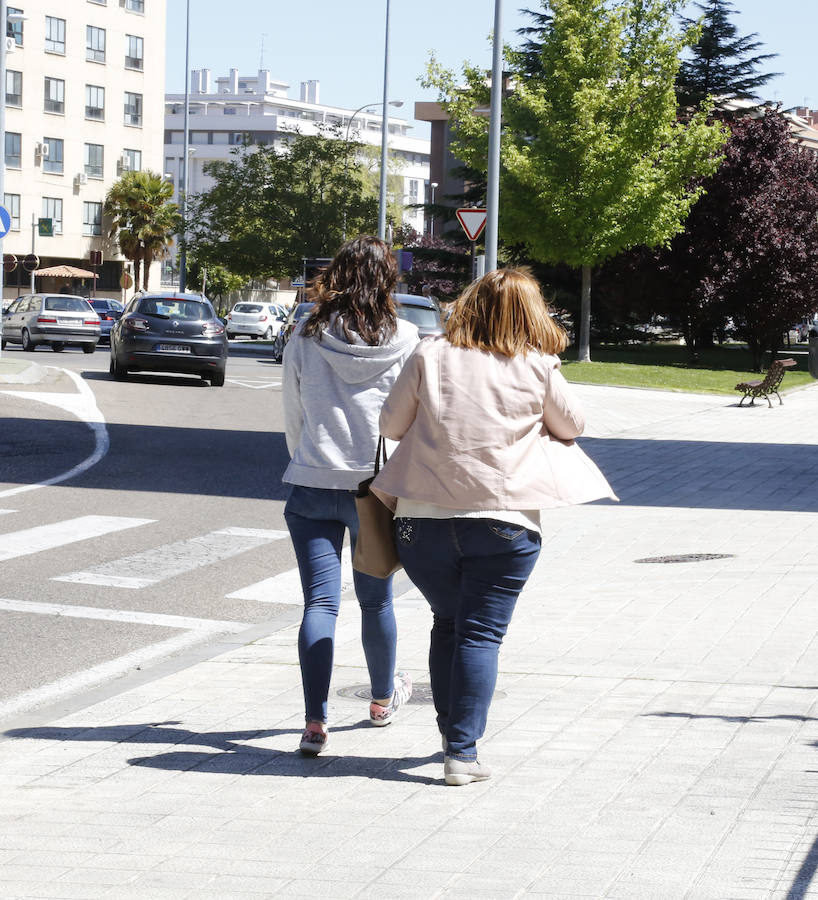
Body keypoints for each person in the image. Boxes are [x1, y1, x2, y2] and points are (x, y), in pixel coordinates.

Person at [372, 268, 616, 785]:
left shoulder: (430, 353)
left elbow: (390, 425)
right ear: (532, 314)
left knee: (447, 621)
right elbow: (573, 426)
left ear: (469, 305)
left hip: (421, 521)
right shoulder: (537, 364)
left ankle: (450, 738)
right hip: (505, 520)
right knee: (480, 634)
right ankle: (461, 754)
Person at [282, 235, 419, 755]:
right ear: (387, 280)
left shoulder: (306, 336)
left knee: (319, 602)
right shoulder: (407, 339)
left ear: (334, 277)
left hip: (313, 481)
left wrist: (307, 458)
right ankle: (382, 700)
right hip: (375, 487)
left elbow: (293, 412)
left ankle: (315, 722)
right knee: (376, 599)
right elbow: (412, 418)